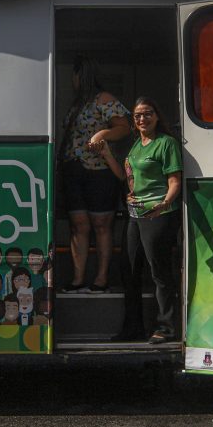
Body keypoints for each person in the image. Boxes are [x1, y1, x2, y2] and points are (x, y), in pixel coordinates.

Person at [101, 96, 182, 344]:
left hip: (159, 214)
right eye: (137, 116)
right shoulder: (136, 146)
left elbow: (175, 181)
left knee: (159, 272)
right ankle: (133, 328)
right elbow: (122, 176)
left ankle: (166, 328)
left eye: (147, 113)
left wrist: (164, 203)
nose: (142, 118)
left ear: (157, 116)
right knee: (130, 273)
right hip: (134, 215)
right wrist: (105, 151)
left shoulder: (166, 144)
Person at [59, 56, 131, 293]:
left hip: (100, 170)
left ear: (82, 75)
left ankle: (101, 278)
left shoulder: (104, 99)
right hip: (74, 168)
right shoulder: (77, 103)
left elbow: (123, 127)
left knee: (101, 224)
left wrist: (102, 135)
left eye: (75, 74)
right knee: (78, 225)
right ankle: (77, 279)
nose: (73, 80)